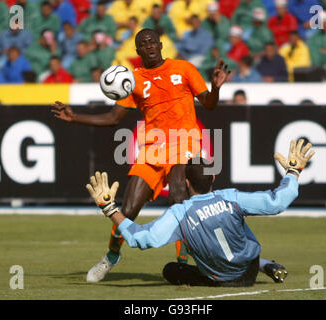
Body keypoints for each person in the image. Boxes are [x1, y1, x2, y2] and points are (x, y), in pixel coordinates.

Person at [51, 28, 230, 283]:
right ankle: (111, 256)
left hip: (184, 144)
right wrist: (74, 117)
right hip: (153, 149)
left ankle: (182, 264)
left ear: (160, 44)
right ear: (138, 51)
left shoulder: (184, 69)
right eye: (143, 44)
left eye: (152, 41)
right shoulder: (133, 80)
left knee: (179, 199)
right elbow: (113, 118)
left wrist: (215, 88)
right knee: (129, 208)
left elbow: (209, 105)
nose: (149, 45)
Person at [85, 139, 315, 286]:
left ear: (185, 182)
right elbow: (278, 202)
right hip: (249, 271)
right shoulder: (231, 197)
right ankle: (265, 264)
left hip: (221, 280)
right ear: (213, 178)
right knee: (237, 223)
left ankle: (261, 264)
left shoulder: (179, 213)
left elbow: (140, 239)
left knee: (171, 270)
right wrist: (293, 172)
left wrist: (110, 208)